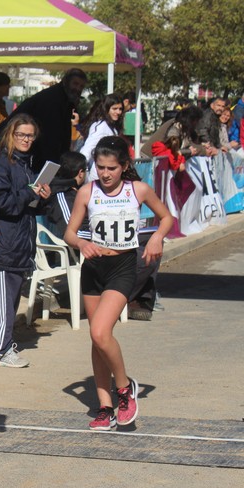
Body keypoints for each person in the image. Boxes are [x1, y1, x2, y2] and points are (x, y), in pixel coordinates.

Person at [64, 136, 173, 430]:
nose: (105, 174)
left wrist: (156, 238)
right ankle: (105, 408)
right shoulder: (87, 192)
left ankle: (124, 388)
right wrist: (82, 243)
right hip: (93, 268)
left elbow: (166, 217)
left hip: (122, 267)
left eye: (111, 168)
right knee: (97, 339)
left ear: (124, 166)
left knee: (100, 331)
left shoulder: (138, 189)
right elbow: (69, 233)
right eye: (100, 167)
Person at [0, 114, 51, 368]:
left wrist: (41, 197)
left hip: (19, 242)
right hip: (3, 243)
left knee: (9, 300)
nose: (26, 140)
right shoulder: (1, 164)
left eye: (30, 136)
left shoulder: (24, 165)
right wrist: (28, 193)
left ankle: (1, 344)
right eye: (21, 135)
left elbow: (25, 204)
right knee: (2, 300)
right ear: (11, 135)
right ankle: (0, 350)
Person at [0, 69, 87, 172]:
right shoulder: (53, 99)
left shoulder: (65, 100)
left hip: (36, 153)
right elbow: (51, 137)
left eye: (81, 86)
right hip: (18, 149)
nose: (78, 89)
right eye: (75, 84)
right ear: (66, 81)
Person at [44, 151, 90, 240]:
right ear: (81, 173)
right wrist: (101, 237)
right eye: (86, 170)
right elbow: (72, 232)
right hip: (77, 246)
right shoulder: (63, 196)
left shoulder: (75, 192)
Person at [80, 93, 125, 181]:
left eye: (120, 109)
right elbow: (88, 148)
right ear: (106, 109)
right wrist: (79, 167)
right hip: (98, 176)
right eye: (114, 109)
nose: (118, 112)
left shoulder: (112, 127)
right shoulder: (101, 126)